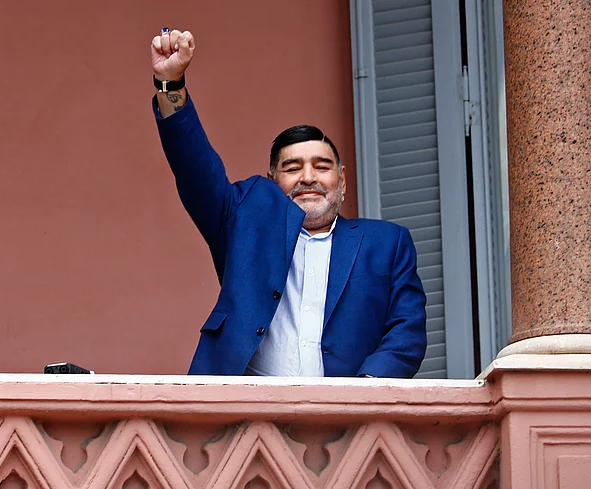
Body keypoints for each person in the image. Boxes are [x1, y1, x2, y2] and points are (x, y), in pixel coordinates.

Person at [151, 28, 427, 378]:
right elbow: (194, 169)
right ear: (272, 181)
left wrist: (364, 395)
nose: (308, 177)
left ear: (342, 180)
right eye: (292, 168)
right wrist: (170, 85)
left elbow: (407, 329)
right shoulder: (243, 223)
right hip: (244, 415)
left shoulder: (387, 243)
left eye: (322, 166)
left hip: (346, 419)